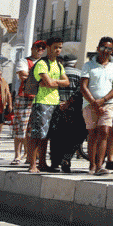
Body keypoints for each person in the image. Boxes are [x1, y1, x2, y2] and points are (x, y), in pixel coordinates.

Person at [80, 37, 113, 175]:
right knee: (92, 134)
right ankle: (92, 164)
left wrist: (104, 99)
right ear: (98, 48)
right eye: (104, 47)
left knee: (104, 132)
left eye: (109, 49)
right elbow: (83, 86)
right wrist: (94, 102)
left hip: (108, 104)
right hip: (90, 104)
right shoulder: (88, 65)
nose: (106, 51)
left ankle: (100, 165)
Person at [25, 38, 69, 174]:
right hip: (42, 102)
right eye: (55, 47)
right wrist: (56, 82)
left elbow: (66, 82)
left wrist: (53, 81)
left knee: (46, 136)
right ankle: (32, 164)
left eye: (60, 47)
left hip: (55, 103)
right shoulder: (41, 64)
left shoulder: (58, 64)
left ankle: (42, 163)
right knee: (37, 135)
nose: (58, 50)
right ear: (48, 47)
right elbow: (49, 83)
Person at [11, 40, 46, 165]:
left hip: (40, 98)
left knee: (33, 129)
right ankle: (17, 155)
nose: (40, 49)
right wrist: (44, 79)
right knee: (21, 128)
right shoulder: (24, 61)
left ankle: (29, 155)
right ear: (32, 48)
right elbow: (23, 76)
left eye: (43, 47)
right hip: (24, 97)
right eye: (38, 47)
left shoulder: (45, 62)